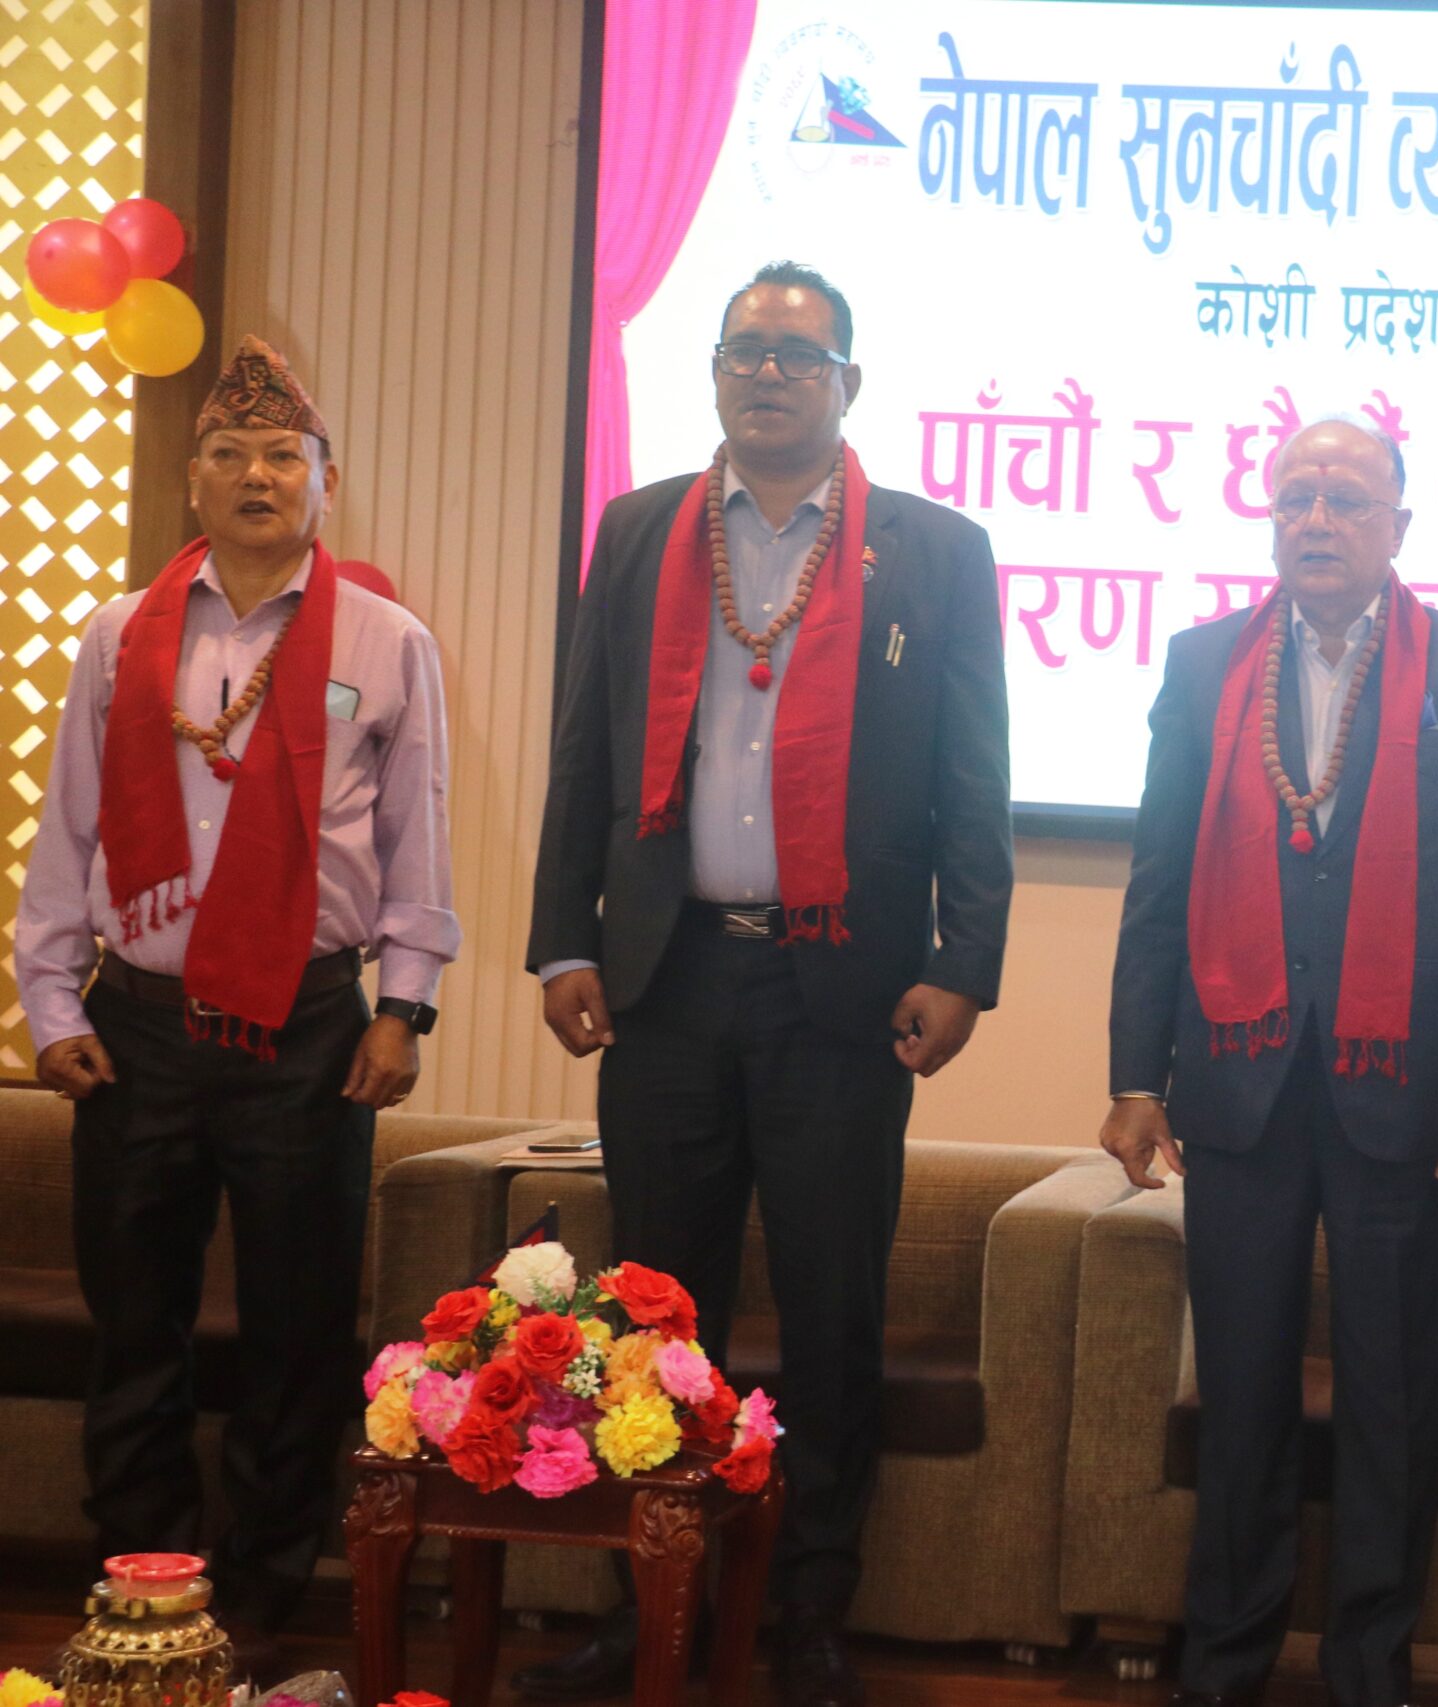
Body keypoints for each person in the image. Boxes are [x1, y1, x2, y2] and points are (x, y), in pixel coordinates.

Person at [522, 261, 1011, 1707]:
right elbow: (585, 747)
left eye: (799, 356)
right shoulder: (641, 530)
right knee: (654, 1315)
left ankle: (808, 1615)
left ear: (849, 382)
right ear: (718, 373)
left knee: (831, 1312)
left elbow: (976, 776)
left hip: (840, 991)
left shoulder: (934, 550)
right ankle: (653, 1608)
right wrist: (564, 938)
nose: (769, 375)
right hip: (668, 980)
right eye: (745, 351)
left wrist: (964, 964)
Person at [14, 335, 458, 1681]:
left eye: (282, 456)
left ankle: (261, 1589)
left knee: (297, 1326)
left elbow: (418, 837)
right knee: (134, 1319)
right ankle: (139, 1580)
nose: (257, 477)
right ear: (193, 480)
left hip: (309, 1027)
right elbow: (70, 825)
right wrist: (49, 1000)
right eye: (229, 454)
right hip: (137, 1024)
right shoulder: (121, 633)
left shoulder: (386, 641)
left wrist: (404, 1005)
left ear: (327, 480)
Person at [1100, 417, 1438, 1707]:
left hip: (1408, 1096)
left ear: (1399, 523)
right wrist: (1135, 1076)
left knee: (1392, 1404)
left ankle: (1369, 1671)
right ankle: (1223, 1668)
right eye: (1295, 497)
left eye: (1346, 499)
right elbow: (1159, 878)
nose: (1317, 520)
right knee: (1240, 1394)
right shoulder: (1204, 664)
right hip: (1237, 1088)